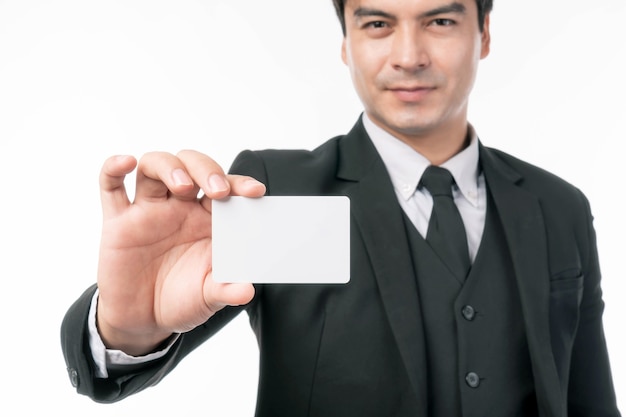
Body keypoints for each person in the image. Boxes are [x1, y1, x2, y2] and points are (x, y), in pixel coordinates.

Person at [60, 0, 621, 415]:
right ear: (346, 43)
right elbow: (107, 378)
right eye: (377, 24)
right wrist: (124, 327)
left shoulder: (557, 207)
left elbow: (590, 398)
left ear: (486, 33)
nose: (408, 56)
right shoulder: (278, 191)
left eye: (441, 21)